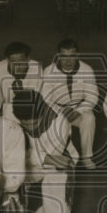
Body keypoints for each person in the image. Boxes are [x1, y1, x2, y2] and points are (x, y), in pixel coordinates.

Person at [10, 89, 77, 213]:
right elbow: (12, 154)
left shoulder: (60, 122)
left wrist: (37, 157)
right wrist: (40, 157)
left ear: (43, 111)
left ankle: (44, 211)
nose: (30, 128)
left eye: (35, 123)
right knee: (8, 168)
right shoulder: (10, 116)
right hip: (24, 164)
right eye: (25, 125)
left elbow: (53, 159)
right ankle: (17, 208)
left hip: (55, 166)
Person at [41, 38, 100, 169]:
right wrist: (62, 111)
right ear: (58, 56)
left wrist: (78, 110)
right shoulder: (48, 71)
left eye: (72, 56)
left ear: (77, 55)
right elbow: (46, 98)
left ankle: (86, 157)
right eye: (64, 56)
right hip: (57, 110)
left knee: (90, 119)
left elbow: (92, 96)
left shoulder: (86, 69)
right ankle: (58, 156)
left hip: (79, 109)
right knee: (60, 126)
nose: (68, 61)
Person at [0, 41, 44, 121]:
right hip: (7, 110)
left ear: (28, 59)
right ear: (7, 60)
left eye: (21, 61)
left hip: (28, 107)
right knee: (7, 110)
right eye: (13, 61)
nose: (17, 66)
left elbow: (38, 96)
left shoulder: (36, 68)